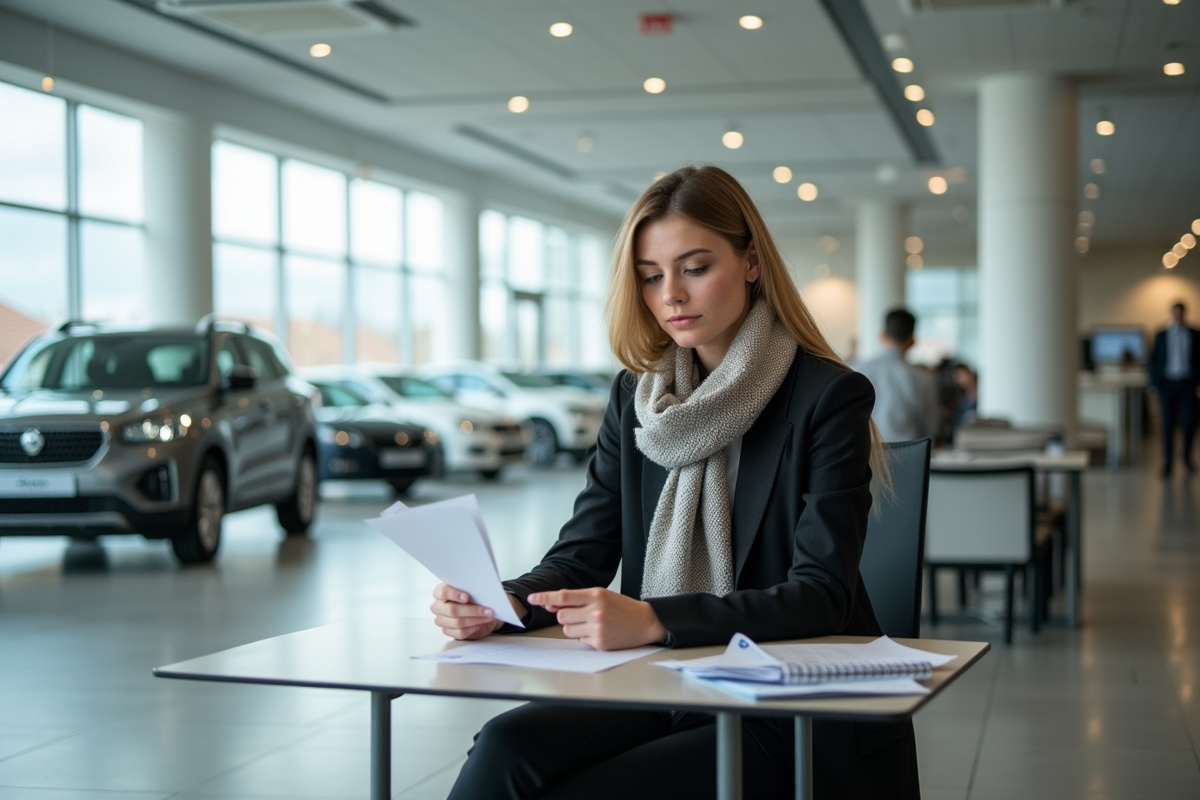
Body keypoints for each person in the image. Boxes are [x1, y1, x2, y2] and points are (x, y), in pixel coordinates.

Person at [430, 165, 919, 799]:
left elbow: (821, 594)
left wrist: (653, 618)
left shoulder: (828, 396)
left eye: (694, 268)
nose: (672, 296)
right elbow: (582, 554)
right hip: (657, 678)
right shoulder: (638, 397)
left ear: (751, 261)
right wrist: (506, 604)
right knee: (505, 746)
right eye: (651, 276)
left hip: (779, 701)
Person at [855, 308, 940, 443]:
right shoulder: (922, 379)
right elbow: (929, 430)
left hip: (864, 452)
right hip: (907, 452)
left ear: (882, 335)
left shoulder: (857, 370)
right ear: (912, 340)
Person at [1149, 301, 1200, 476]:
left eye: (1181, 313)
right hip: (1167, 384)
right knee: (1167, 424)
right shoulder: (1162, 334)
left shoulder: (1194, 334)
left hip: (1188, 383)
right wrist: (1153, 384)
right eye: (1175, 313)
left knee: (1190, 422)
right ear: (1172, 313)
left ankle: (1187, 457)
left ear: (1184, 314)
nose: (1178, 316)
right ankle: (1168, 462)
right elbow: (1154, 360)